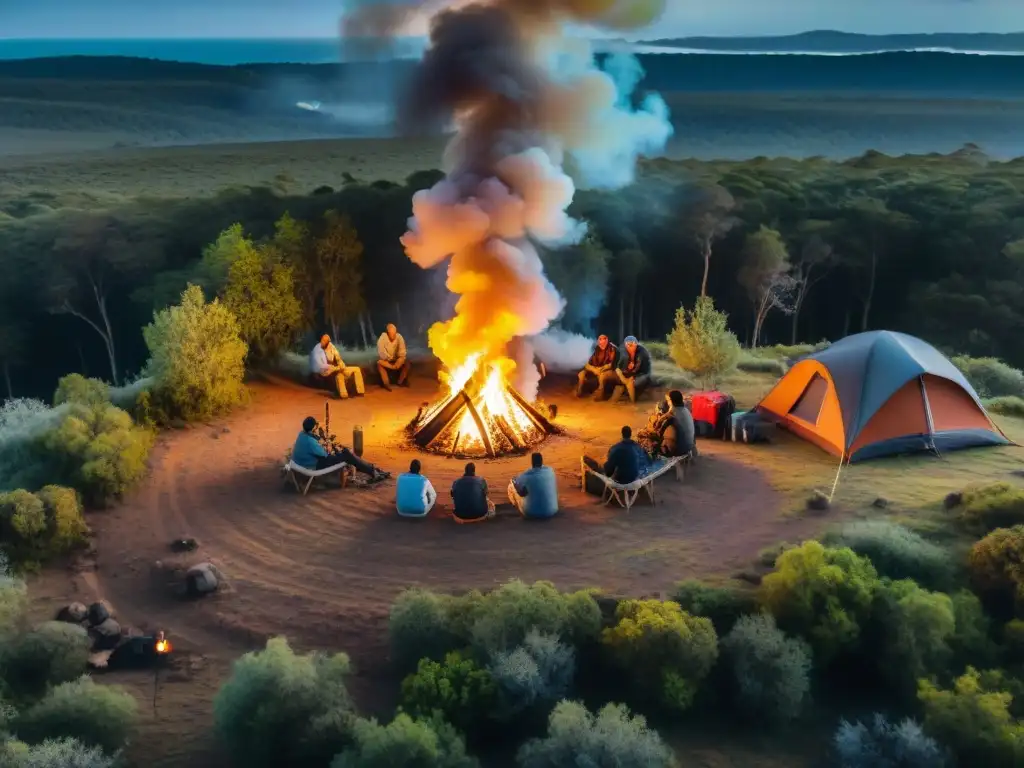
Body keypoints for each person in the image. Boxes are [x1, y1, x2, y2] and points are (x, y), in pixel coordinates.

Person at [291, 416, 389, 482]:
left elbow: (317, 445)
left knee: (347, 455)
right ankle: (373, 471)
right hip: (314, 465)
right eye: (315, 426)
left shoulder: (302, 434)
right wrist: (328, 447)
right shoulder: (310, 441)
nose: (317, 428)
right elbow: (325, 454)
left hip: (305, 463)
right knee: (347, 454)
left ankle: (372, 469)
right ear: (312, 429)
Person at [582, 425, 653, 494]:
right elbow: (649, 462)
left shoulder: (615, 448)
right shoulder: (638, 447)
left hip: (620, 481)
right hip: (635, 479)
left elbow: (608, 471)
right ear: (631, 434)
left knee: (602, 469)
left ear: (622, 434)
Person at [309, 335, 365, 399]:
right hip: (325, 371)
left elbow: (338, 358)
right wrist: (333, 367)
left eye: (325, 341)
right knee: (339, 376)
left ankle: (360, 392)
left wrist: (340, 365)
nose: (323, 342)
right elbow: (320, 365)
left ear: (328, 342)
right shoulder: (317, 350)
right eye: (322, 340)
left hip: (336, 368)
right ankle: (344, 395)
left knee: (356, 369)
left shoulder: (331, 347)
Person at [508, 452, 559, 519]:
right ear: (542, 461)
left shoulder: (526, 476)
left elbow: (521, 492)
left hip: (532, 513)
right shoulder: (550, 471)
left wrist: (514, 482)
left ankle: (514, 504)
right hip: (552, 510)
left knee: (512, 484)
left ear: (532, 462)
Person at [576, 334, 619, 399]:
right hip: (598, 369)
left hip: (613, 371)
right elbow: (588, 364)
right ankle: (578, 392)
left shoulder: (612, 349)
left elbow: (611, 365)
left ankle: (600, 396)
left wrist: (600, 369)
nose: (601, 343)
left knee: (602, 376)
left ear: (607, 340)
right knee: (581, 374)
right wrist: (594, 369)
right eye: (600, 341)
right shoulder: (597, 349)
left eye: (603, 340)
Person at [612, 336, 652, 403]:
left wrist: (633, 373)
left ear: (636, 344)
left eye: (633, 344)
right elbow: (617, 367)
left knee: (634, 383)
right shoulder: (622, 352)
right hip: (625, 374)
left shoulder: (642, 353)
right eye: (629, 345)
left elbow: (643, 368)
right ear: (625, 345)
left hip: (641, 373)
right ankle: (624, 391)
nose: (631, 347)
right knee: (622, 383)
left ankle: (633, 398)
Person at [660, 389, 697, 458]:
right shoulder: (686, 410)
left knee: (658, 442)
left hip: (680, 450)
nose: (667, 403)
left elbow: (660, 430)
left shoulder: (672, 413)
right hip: (689, 446)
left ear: (671, 401)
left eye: (668, 400)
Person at [377, 323, 411, 390]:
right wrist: (389, 360)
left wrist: (399, 360)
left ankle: (400, 382)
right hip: (387, 360)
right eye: (391, 334)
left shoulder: (399, 337)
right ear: (388, 333)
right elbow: (381, 352)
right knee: (379, 363)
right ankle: (386, 384)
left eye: (394, 333)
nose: (393, 335)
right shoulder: (383, 337)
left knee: (407, 363)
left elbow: (402, 351)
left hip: (397, 360)